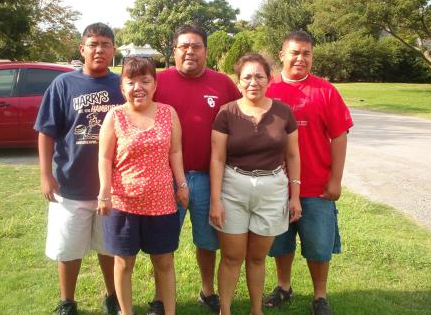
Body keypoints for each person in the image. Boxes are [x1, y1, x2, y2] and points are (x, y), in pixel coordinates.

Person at [150, 24, 241, 314]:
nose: (190, 51)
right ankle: (160, 298)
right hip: (165, 177)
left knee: (208, 240)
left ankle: (207, 290)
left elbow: (243, 118)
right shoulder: (157, 82)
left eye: (196, 46)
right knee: (162, 242)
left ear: (206, 50)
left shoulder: (223, 84)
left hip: (209, 177)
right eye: (184, 46)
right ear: (174, 51)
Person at [34, 23, 124, 315]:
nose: (100, 50)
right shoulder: (63, 85)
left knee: (108, 247)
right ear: (82, 49)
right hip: (70, 185)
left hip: (111, 188)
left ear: (113, 50)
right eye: (94, 44)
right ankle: (67, 301)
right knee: (69, 249)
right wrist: (46, 175)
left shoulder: (122, 85)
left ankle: (113, 296)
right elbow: (46, 132)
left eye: (106, 44)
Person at [263, 31, 353, 315]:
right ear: (282, 55)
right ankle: (284, 287)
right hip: (276, 186)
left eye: (306, 53)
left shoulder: (325, 91)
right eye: (294, 52)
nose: (300, 58)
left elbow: (339, 136)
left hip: (317, 187)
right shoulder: (268, 89)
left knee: (318, 245)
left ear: (312, 56)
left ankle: (320, 296)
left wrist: (335, 179)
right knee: (280, 243)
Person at [209, 53, 301, 315]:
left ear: (269, 79)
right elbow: (217, 158)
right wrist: (216, 200)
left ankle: (255, 310)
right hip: (233, 188)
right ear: (238, 82)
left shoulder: (284, 112)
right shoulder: (226, 113)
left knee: (258, 257)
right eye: (247, 77)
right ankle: (224, 310)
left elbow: (293, 155)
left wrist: (295, 196)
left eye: (259, 76)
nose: (253, 82)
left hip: (272, 189)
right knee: (231, 256)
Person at [97, 57, 188, 315]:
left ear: (155, 84)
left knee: (164, 261)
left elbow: (176, 152)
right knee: (124, 263)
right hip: (123, 203)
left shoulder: (168, 113)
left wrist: (181, 184)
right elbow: (104, 156)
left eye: (145, 81)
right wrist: (104, 191)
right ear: (122, 87)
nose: (139, 87)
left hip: (161, 203)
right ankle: (126, 312)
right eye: (131, 81)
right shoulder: (114, 116)